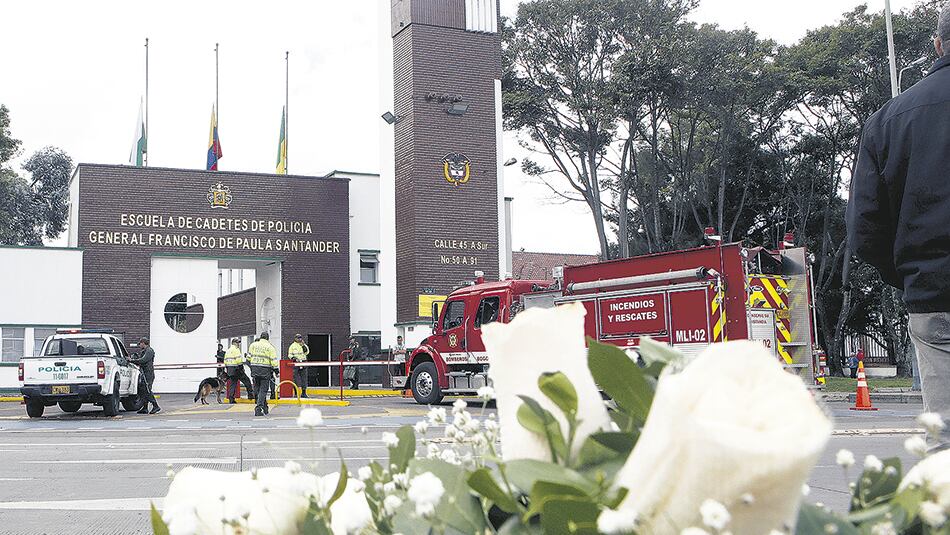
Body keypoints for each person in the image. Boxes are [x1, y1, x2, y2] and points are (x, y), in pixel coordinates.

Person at [847, 1, 950, 450]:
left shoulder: (888, 121)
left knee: (945, 442)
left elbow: (866, 230)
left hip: (934, 297)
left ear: (938, 44)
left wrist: (910, 275)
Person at [247, 332, 279, 416]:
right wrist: (276, 372)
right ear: (267, 338)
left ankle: (265, 407)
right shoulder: (270, 347)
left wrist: (252, 367)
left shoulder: (253, 345)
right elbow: (274, 361)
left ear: (260, 337)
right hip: (265, 370)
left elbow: (248, 359)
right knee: (263, 390)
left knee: (258, 389)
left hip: (255, 369)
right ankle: (258, 408)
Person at [129, 337, 161, 414]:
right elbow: (141, 360)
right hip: (144, 373)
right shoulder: (144, 351)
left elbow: (143, 360)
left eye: (140, 344)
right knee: (143, 390)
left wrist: (132, 360)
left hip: (148, 373)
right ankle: (145, 408)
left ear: (143, 343)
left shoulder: (149, 351)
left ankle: (156, 406)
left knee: (147, 390)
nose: (139, 345)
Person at [223, 338, 251, 403]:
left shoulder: (228, 350)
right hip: (237, 369)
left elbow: (225, 361)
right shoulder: (236, 350)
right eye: (237, 343)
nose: (238, 344)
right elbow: (239, 360)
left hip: (230, 369)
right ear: (234, 343)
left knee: (233, 384)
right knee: (247, 381)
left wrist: (228, 369)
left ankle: (231, 399)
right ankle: (251, 395)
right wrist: (242, 368)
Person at [288, 334, 310, 398]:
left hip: (303, 362)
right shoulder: (292, 346)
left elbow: (307, 352)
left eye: (300, 338)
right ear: (295, 338)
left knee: (304, 378)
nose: (299, 339)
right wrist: (293, 358)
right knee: (295, 378)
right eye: (298, 338)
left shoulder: (303, 345)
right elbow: (289, 355)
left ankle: (304, 393)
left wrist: (303, 346)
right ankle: (296, 393)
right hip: (296, 363)